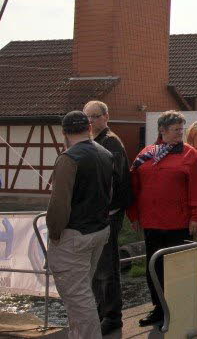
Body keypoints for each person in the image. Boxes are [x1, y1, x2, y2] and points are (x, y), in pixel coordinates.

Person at [129, 111, 197, 328]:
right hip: (152, 222)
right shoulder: (146, 154)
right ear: (162, 131)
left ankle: (178, 308)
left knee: (177, 267)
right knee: (153, 267)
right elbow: (134, 187)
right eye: (176, 130)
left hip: (178, 223)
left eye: (181, 130)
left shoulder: (190, 156)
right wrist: (134, 214)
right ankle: (159, 307)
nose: (180, 134)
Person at [46, 111, 113, 339]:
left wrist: (54, 234)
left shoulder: (69, 158)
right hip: (99, 231)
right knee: (83, 292)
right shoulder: (105, 153)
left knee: (77, 298)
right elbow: (109, 194)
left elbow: (59, 205)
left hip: (73, 235)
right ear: (89, 128)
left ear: (64, 132)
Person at [83, 100, 130, 335]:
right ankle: (100, 312)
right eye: (87, 117)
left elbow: (113, 179)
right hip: (97, 214)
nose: (90, 121)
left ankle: (112, 316)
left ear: (106, 117)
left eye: (95, 116)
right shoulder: (94, 141)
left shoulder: (110, 141)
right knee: (96, 266)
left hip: (109, 213)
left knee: (106, 267)